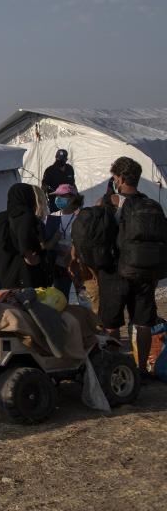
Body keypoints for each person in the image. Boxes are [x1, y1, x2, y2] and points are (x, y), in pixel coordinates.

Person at [96, 157, 160, 379]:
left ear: (121, 178)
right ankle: (142, 370)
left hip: (116, 272)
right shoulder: (151, 204)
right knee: (143, 324)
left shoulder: (111, 202)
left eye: (114, 177)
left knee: (112, 325)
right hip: (145, 272)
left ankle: (113, 370)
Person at [0, 183, 48, 290]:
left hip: (3, 275)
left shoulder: (2, 218)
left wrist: (7, 252)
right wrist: (30, 257)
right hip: (25, 277)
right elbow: (25, 242)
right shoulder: (25, 215)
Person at [42, 184, 83, 300]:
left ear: (73, 198)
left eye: (62, 196)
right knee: (60, 298)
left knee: (84, 298)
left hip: (79, 265)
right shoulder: (51, 217)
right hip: (59, 266)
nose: (58, 199)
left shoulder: (82, 216)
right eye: (57, 196)